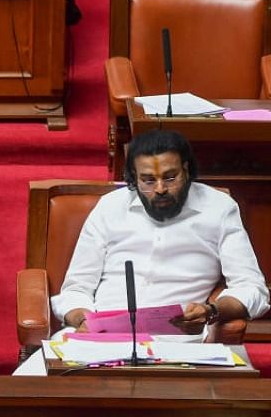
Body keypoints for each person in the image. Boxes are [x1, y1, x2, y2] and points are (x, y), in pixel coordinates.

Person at [53, 129, 268, 335]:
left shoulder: (219, 208)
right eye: (147, 180)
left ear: (187, 170)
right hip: (101, 335)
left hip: (180, 342)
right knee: (34, 372)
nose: (160, 189)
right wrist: (82, 320)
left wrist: (212, 311)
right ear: (133, 178)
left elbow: (252, 288)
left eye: (170, 177)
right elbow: (76, 289)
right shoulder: (110, 207)